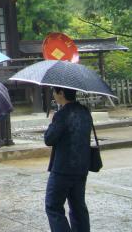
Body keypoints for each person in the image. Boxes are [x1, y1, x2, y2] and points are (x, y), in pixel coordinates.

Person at [44, 87, 92, 232]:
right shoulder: (85, 112)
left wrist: (52, 122)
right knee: (78, 207)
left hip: (62, 168)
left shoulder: (62, 115)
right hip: (81, 167)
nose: (54, 95)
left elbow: (49, 139)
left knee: (53, 206)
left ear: (62, 93)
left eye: (55, 92)